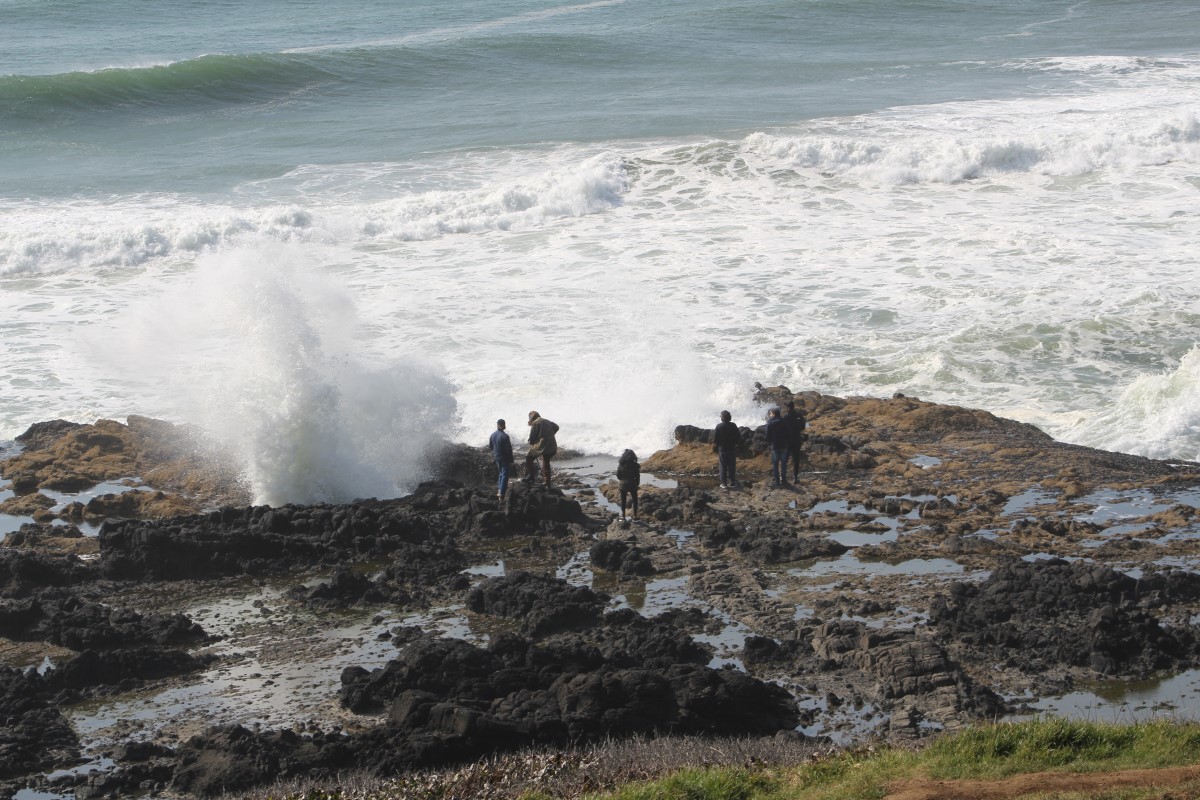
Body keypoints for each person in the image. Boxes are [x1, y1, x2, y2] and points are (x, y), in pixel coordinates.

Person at [525, 410, 559, 487]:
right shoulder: (547, 421)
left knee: (529, 458)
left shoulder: (535, 423)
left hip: (543, 445)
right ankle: (547, 482)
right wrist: (550, 434)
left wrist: (532, 442)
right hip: (552, 444)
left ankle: (531, 477)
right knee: (546, 461)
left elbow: (532, 438)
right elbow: (556, 427)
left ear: (531, 418)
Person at [713, 410, 740, 489]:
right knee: (732, 466)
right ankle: (732, 482)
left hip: (722, 449)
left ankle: (724, 483)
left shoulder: (719, 426)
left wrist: (718, 445)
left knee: (723, 466)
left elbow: (715, 439)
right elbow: (738, 436)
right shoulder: (733, 425)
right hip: (731, 448)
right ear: (729, 417)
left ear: (722, 417)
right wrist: (735, 443)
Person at [489, 418, 514, 500]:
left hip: (497, 457)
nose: (504, 426)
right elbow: (508, 449)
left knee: (500, 473)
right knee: (504, 475)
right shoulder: (505, 436)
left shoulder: (492, 435)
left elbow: (491, 447)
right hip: (504, 458)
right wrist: (511, 459)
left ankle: (499, 490)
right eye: (504, 424)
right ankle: (502, 494)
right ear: (501, 425)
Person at [783, 399, 807, 484]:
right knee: (796, 460)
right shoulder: (799, 416)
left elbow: (782, 429)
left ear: (788, 408)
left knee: (785, 459)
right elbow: (803, 427)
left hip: (787, 441)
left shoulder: (785, 417)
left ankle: (783, 477)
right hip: (797, 439)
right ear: (793, 407)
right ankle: (795, 478)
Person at [765, 407, 790, 486]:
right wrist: (787, 441)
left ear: (774, 414)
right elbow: (788, 432)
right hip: (783, 445)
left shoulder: (770, 422)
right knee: (783, 464)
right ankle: (783, 480)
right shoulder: (784, 421)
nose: (770, 415)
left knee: (775, 464)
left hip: (775, 445)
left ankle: (777, 481)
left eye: (771, 414)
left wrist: (770, 442)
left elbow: (767, 434)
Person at [616, 449, 640, 521]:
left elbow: (618, 475)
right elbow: (637, 476)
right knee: (635, 500)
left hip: (623, 484)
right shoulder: (635, 465)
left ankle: (623, 516)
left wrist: (622, 480)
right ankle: (635, 515)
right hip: (633, 484)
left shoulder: (621, 465)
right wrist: (637, 483)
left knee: (623, 500)